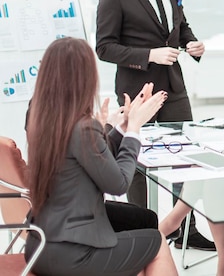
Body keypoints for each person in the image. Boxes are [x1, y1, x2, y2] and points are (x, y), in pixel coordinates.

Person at [95, 0, 213, 250]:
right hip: (135, 92)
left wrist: (193, 44)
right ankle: (142, 233)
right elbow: (104, 47)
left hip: (174, 87)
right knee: (135, 163)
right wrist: (149, 55)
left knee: (188, 158)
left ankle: (183, 230)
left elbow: (180, 26)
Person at [23, 37, 177, 276]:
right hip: (72, 253)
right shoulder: (82, 126)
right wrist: (135, 130)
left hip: (40, 244)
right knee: (156, 243)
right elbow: (118, 183)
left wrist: (124, 127)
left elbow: (92, 157)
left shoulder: (42, 121)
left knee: (143, 223)